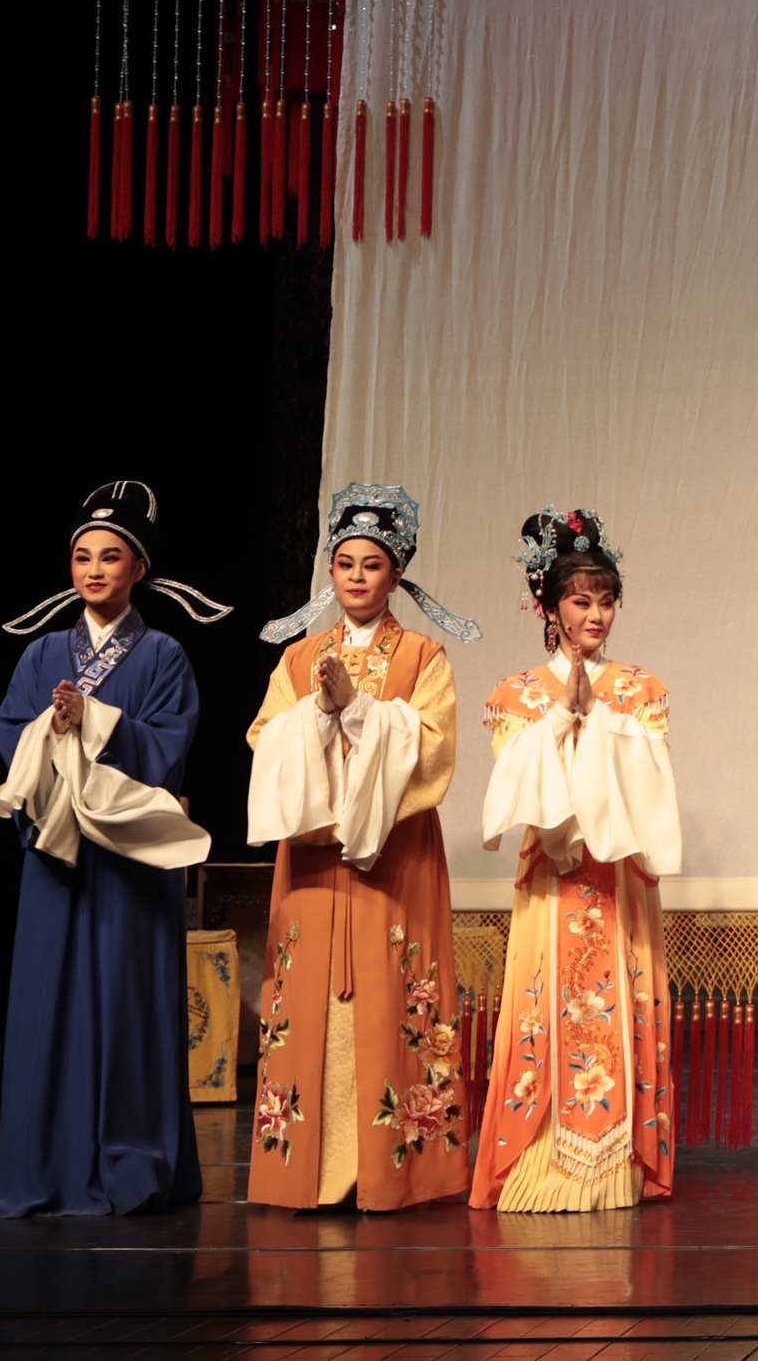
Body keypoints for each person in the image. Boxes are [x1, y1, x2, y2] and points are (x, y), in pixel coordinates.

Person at [0, 481, 232, 1217]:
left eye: (111, 556)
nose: (94, 569)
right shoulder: (40, 654)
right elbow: (11, 732)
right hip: (57, 850)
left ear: (139, 568)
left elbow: (166, 746)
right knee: (50, 1006)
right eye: (82, 556)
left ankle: (135, 1163)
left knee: (128, 1003)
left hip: (130, 855)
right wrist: (52, 730)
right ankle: (47, 1166)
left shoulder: (163, 654)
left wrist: (92, 721)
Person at [243, 484, 486, 1210]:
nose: (356, 575)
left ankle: (397, 1170)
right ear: (330, 569)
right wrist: (318, 714)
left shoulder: (423, 656)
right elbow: (264, 739)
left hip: (393, 855)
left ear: (396, 573)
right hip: (315, 856)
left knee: (394, 995)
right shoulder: (298, 659)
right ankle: (309, 1171)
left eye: (372, 564)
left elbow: (434, 745)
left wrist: (360, 710)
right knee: (308, 993)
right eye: (345, 562)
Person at [469, 506, 680, 1211]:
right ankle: (540, 1166)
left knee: (618, 1002)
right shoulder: (518, 694)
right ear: (549, 606)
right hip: (552, 880)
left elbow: (649, 783)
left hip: (617, 876)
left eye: (606, 600)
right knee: (545, 1008)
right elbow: (516, 786)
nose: (596, 615)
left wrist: (605, 723)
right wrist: (561, 718)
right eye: (581, 601)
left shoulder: (640, 689)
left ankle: (616, 1168)